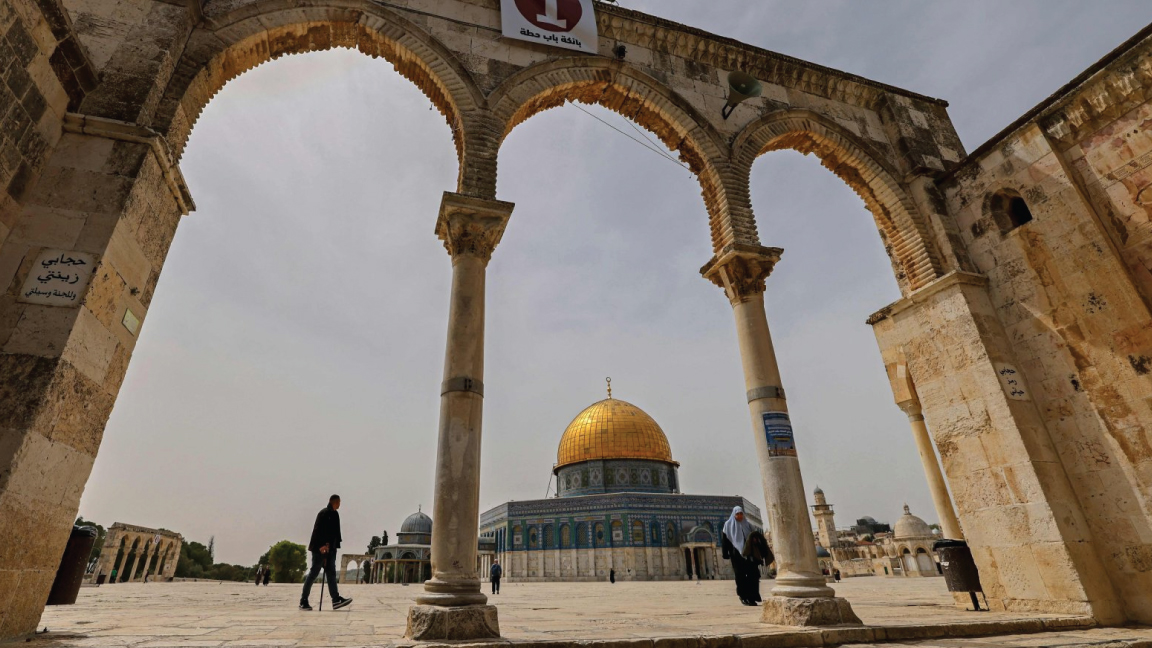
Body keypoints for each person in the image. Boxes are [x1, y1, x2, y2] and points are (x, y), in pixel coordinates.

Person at [299, 494, 352, 611]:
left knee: (331, 574)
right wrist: (321, 546)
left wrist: (334, 547)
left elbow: (335, 533)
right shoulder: (323, 514)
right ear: (334, 502)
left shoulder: (335, 514)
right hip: (320, 550)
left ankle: (335, 600)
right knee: (314, 573)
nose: (339, 504)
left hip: (331, 550)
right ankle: (303, 600)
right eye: (338, 502)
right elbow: (317, 531)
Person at [722, 505, 761, 606]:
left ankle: (752, 597)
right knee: (740, 576)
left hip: (749, 554)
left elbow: (755, 537)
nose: (739, 516)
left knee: (753, 575)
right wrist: (725, 553)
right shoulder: (728, 525)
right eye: (737, 514)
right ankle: (743, 596)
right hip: (736, 555)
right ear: (734, 515)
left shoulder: (748, 525)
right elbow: (725, 541)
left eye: (741, 514)